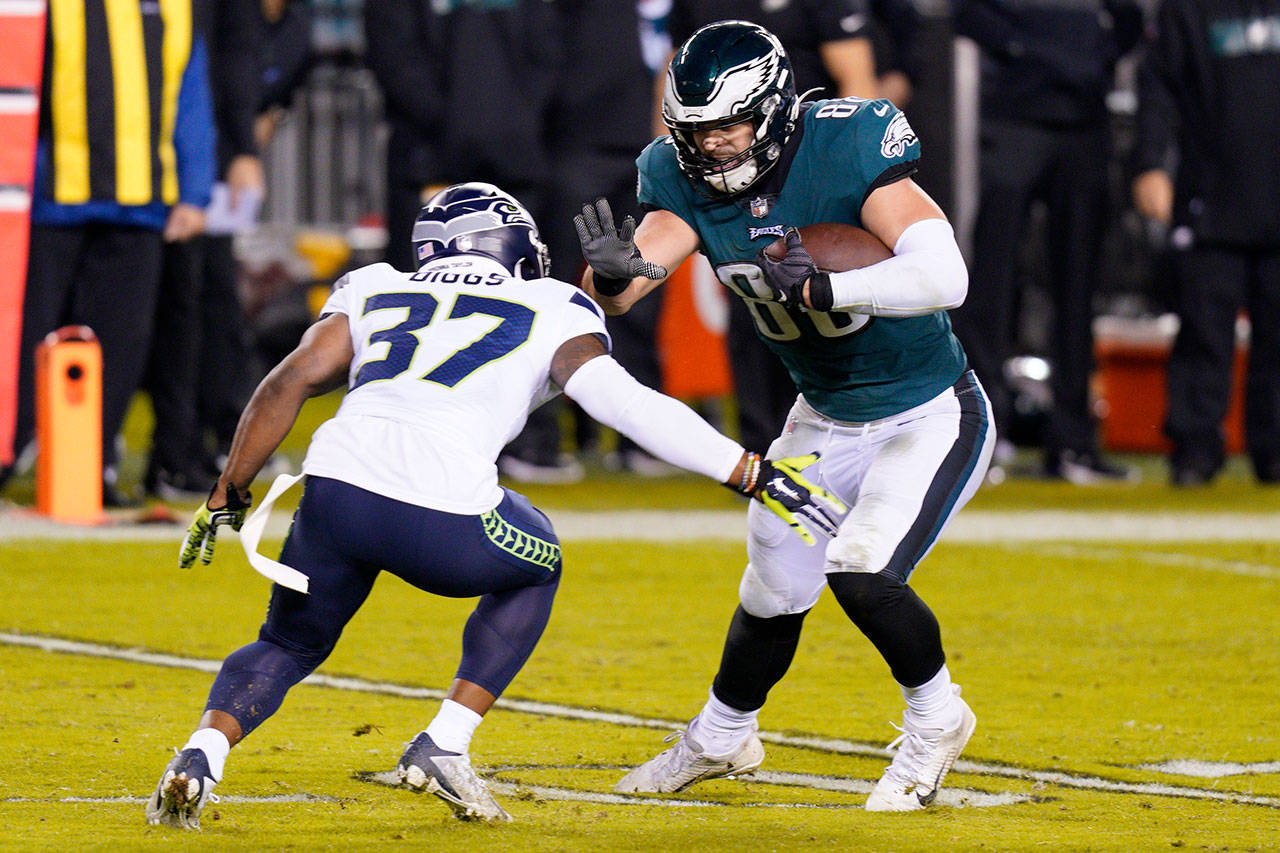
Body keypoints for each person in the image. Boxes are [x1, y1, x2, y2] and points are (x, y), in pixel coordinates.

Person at [144, 182, 842, 829]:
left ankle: (201, 753)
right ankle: (445, 742)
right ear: (508, 245)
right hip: (440, 512)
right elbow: (620, 401)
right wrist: (746, 468)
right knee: (536, 560)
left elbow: (289, 379)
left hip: (335, 492)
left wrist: (229, 488)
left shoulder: (374, 285)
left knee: (287, 642)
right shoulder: (555, 305)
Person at [577, 21, 995, 811]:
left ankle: (938, 719)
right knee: (770, 591)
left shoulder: (846, 145)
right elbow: (633, 278)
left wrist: (831, 289)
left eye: (727, 126)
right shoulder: (677, 173)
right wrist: (607, 278)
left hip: (927, 411)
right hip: (823, 413)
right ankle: (722, 736)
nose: (712, 146)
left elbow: (947, 275)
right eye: (694, 131)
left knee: (864, 568)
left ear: (772, 111)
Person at [0, 0, 215, 508]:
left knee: (119, 347)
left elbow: (190, 93)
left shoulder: (177, 7)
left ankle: (89, 469)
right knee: (21, 338)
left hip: (140, 203)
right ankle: (8, 455)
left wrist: (195, 189)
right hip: (48, 201)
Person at [661, 0, 879, 455]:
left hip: (803, 164)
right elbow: (674, 82)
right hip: (727, 169)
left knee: (827, 299)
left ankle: (852, 433)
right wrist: (670, 163)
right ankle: (764, 448)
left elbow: (857, 80)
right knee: (754, 304)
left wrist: (848, 171)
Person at [950, 0, 1143, 483]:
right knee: (991, 283)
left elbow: (1130, 20)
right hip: (1013, 117)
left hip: (1083, 123)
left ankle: (1073, 441)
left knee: (1078, 286)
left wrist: (1093, 61)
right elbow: (967, 13)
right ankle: (984, 437)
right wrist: (1032, 54)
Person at [1130, 0, 1280, 487]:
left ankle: (1275, 450)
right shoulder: (1189, 7)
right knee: (1202, 330)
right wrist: (1150, 162)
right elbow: (1158, 86)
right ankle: (1195, 449)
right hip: (1210, 195)